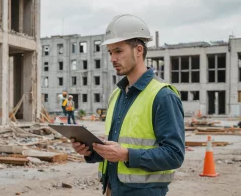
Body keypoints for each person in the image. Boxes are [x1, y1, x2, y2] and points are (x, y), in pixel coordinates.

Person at [71, 14, 185, 196]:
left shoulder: (163, 96)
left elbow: (174, 155)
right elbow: (117, 148)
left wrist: (126, 154)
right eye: (110, 52)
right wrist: (90, 152)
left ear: (138, 50)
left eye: (118, 51)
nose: (112, 58)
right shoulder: (117, 94)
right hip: (112, 189)